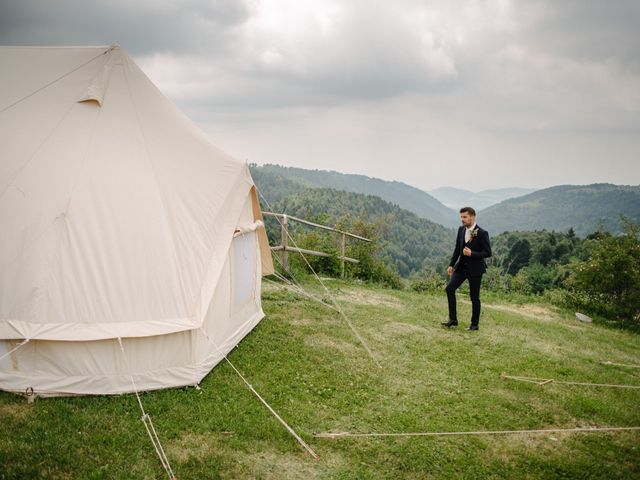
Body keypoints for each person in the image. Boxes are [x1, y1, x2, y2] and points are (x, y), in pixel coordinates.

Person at [442, 206, 492, 331]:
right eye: (461, 217)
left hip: (475, 269)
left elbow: (487, 252)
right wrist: (451, 265)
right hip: (461, 268)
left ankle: (474, 325)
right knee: (449, 289)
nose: (462, 219)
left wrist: (472, 254)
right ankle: (453, 319)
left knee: (474, 297)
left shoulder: (482, 233)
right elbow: (457, 249)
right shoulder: (460, 230)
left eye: (465, 217)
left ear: (472, 217)